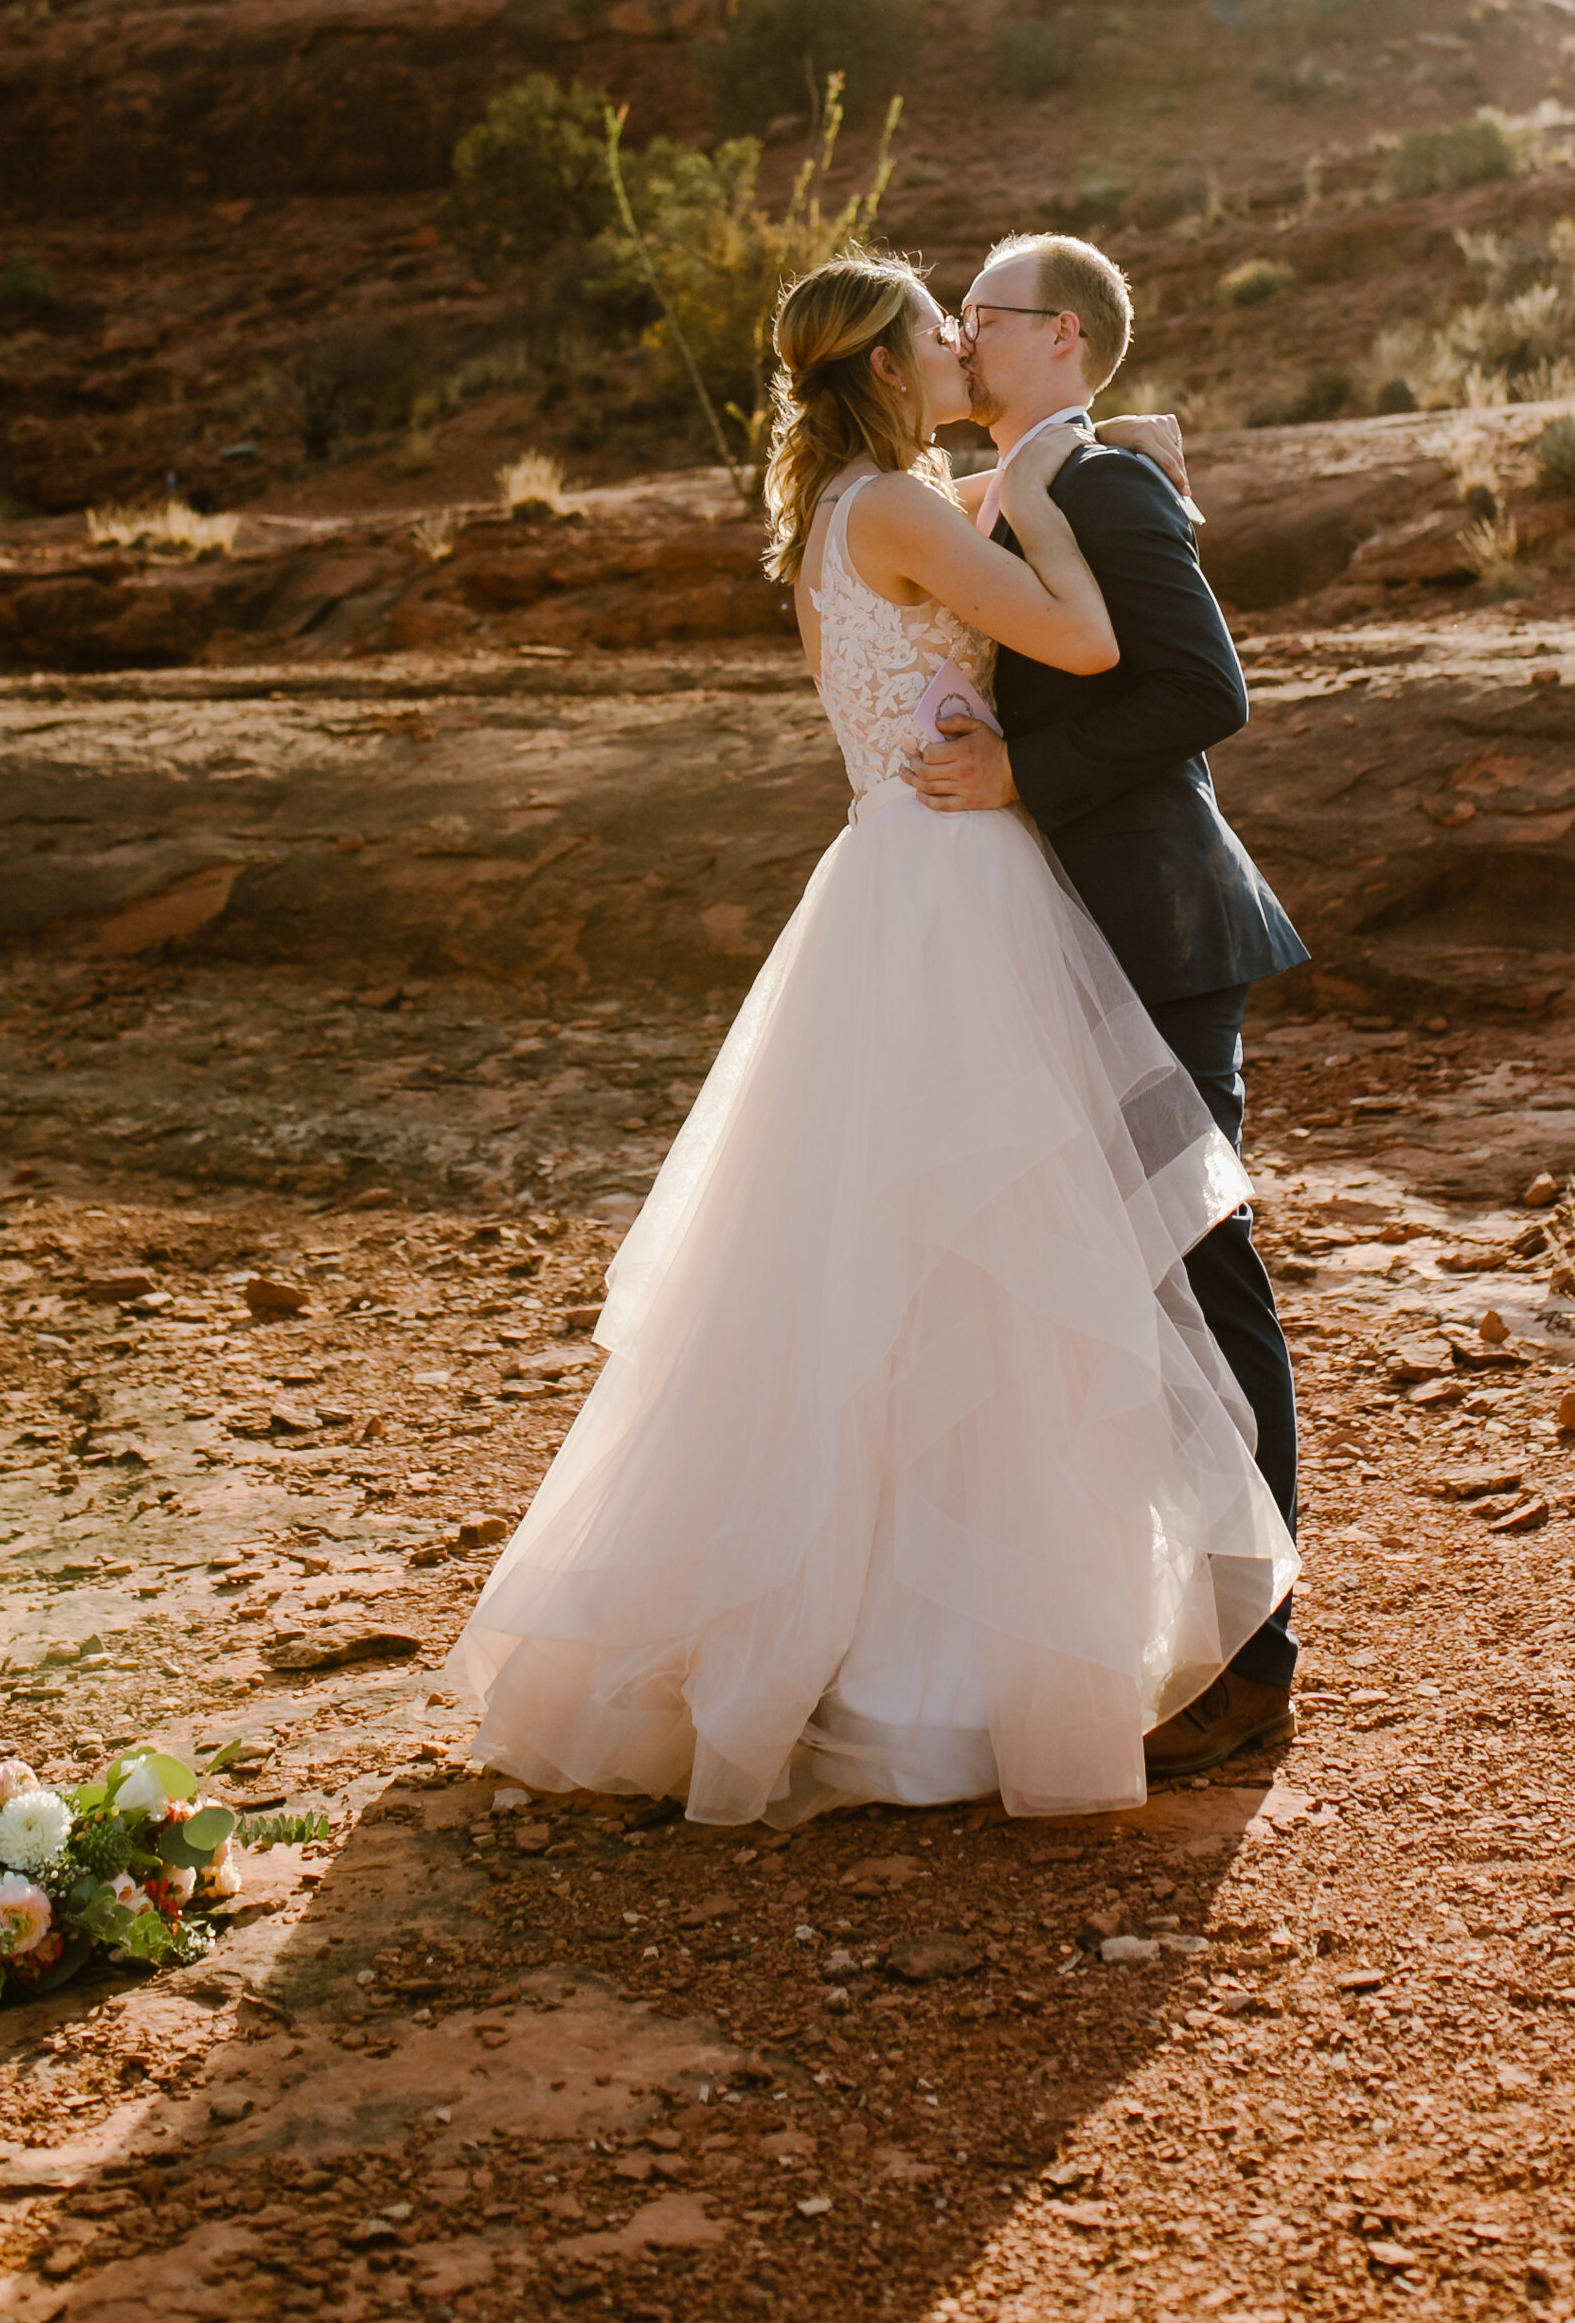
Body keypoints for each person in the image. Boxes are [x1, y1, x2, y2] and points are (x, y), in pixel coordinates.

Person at [440, 252, 1294, 1828]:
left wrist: (1082, 450)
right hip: (960, 886)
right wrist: (1054, 481)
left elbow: (971, 552)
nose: (960, 339)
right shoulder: (908, 508)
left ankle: (884, 1634)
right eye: (936, 326)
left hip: (893, 887)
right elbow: (1089, 644)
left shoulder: (854, 506)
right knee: (1009, 1267)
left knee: (892, 1276)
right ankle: (1012, 1653)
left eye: (980, 321)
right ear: (892, 364)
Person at [912, 230, 1308, 1778]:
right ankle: (1167, 1625)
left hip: (1155, 928)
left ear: (1060, 333)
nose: (957, 336)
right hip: (1062, 933)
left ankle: (1255, 1657)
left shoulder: (1103, 487)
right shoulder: (1037, 478)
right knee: (1110, 1287)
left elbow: (1209, 690)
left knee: (1200, 1275)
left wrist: (1024, 769)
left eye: (980, 318)